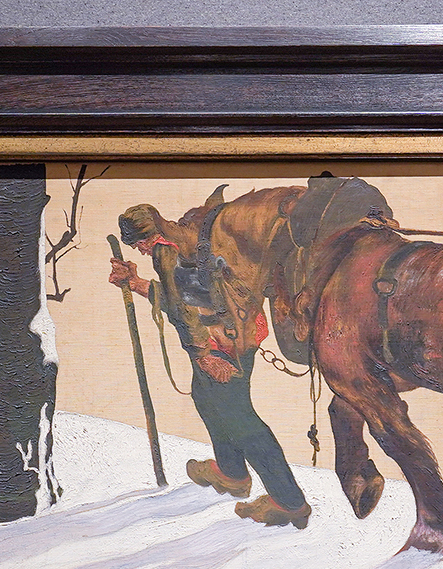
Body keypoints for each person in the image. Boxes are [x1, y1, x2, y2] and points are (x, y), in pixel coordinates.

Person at [108, 202, 311, 530]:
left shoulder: (165, 251)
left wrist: (204, 354)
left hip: (220, 345)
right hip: (233, 332)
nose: (139, 250)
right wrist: (136, 282)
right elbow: (179, 298)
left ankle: (289, 502)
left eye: (138, 243)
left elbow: (182, 310)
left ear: (150, 235)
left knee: (241, 420)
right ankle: (231, 472)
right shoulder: (184, 238)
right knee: (206, 399)